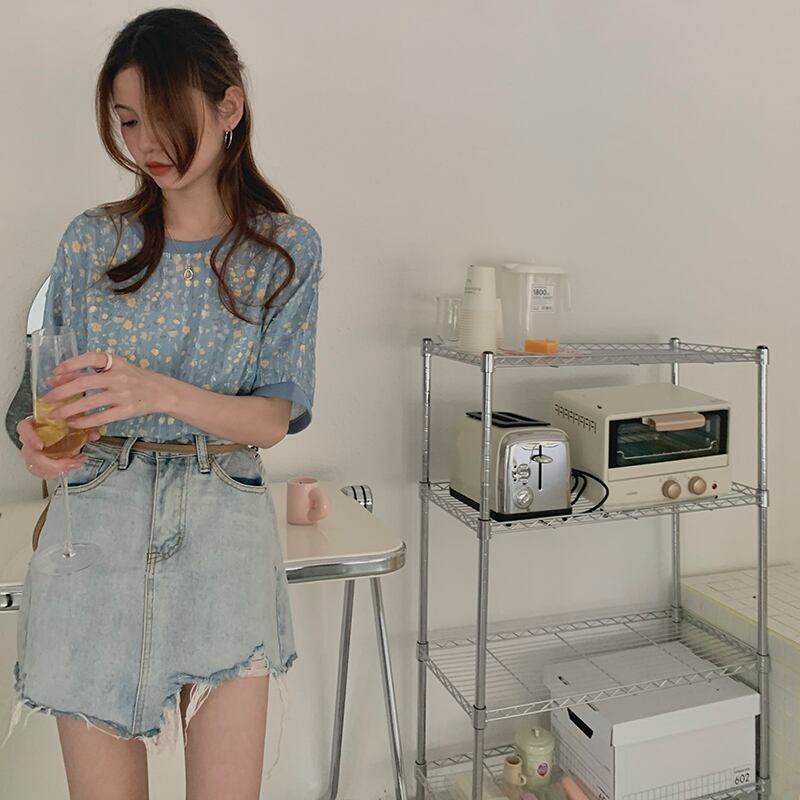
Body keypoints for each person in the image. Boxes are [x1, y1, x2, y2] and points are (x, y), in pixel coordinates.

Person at [3, 8, 321, 800]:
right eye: (128, 120)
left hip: (222, 526)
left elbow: (271, 419)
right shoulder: (91, 240)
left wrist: (157, 391)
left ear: (228, 107)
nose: (146, 141)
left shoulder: (282, 251)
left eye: (164, 114)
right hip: (95, 524)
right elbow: (37, 395)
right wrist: (33, 437)